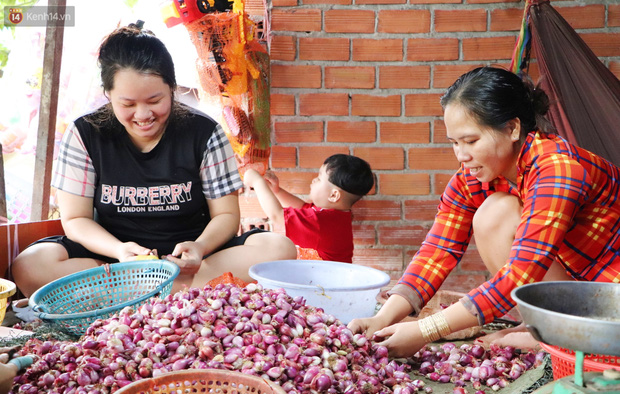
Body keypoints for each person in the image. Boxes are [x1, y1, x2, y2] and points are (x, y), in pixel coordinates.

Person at [348, 66, 620, 358]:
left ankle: (564, 337)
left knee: (497, 213)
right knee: (495, 212)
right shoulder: (478, 175)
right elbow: (438, 249)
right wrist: (382, 318)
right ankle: (548, 329)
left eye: (471, 141)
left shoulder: (559, 170)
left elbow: (520, 273)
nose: (462, 155)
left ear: (512, 129)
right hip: (581, 291)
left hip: (612, 297)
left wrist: (426, 330)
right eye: (454, 143)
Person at [11, 23, 297, 297]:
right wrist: (120, 251)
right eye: (128, 104)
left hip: (191, 264)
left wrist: (199, 248)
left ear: (172, 87)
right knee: (30, 264)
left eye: (154, 100)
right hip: (114, 262)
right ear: (108, 94)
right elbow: (75, 219)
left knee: (278, 249)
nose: (143, 114)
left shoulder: (204, 132)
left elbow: (226, 215)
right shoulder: (85, 134)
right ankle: (173, 294)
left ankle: (135, 295)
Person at [243, 154, 374, 263]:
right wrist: (277, 191)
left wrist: (257, 182)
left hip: (323, 287)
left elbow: (277, 216)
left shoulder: (321, 223)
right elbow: (302, 207)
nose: (313, 180)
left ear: (334, 195)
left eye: (319, 178)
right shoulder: (335, 215)